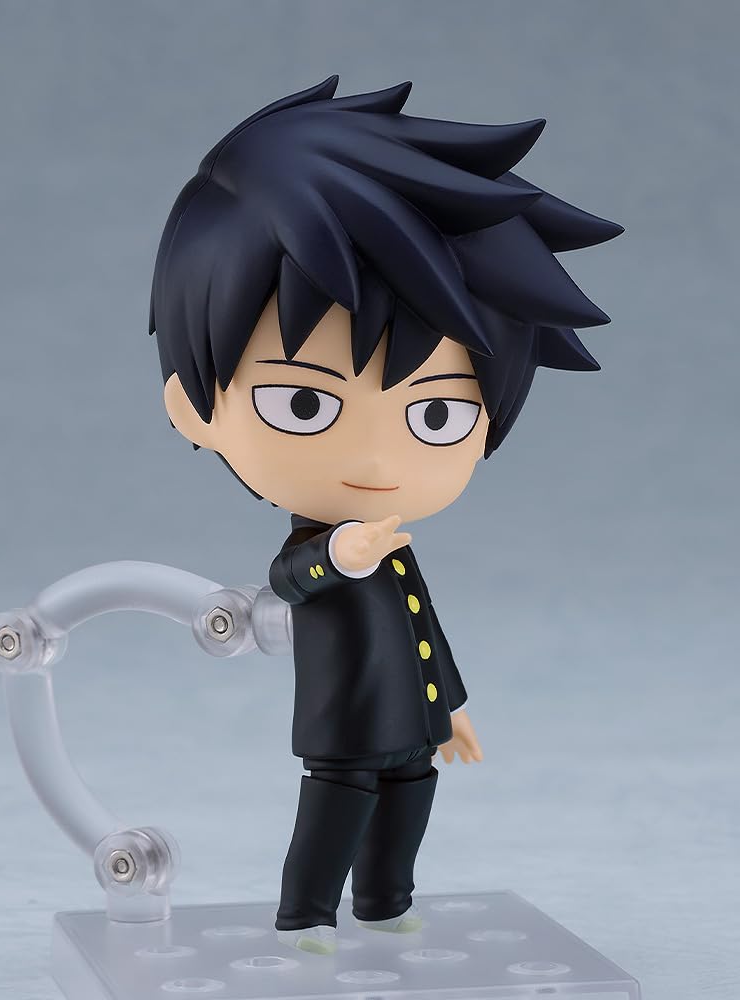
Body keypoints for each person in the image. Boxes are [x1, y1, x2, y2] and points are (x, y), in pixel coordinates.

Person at [150, 75, 623, 953]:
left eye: (436, 413)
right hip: (343, 731)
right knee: (333, 816)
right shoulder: (337, 544)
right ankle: (305, 917)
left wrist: (453, 707)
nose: (376, 461)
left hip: (414, 727)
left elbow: (421, 627)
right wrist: (343, 556)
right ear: (194, 408)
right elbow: (293, 579)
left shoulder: (393, 547)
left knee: (410, 805)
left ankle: (384, 903)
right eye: (305, 404)